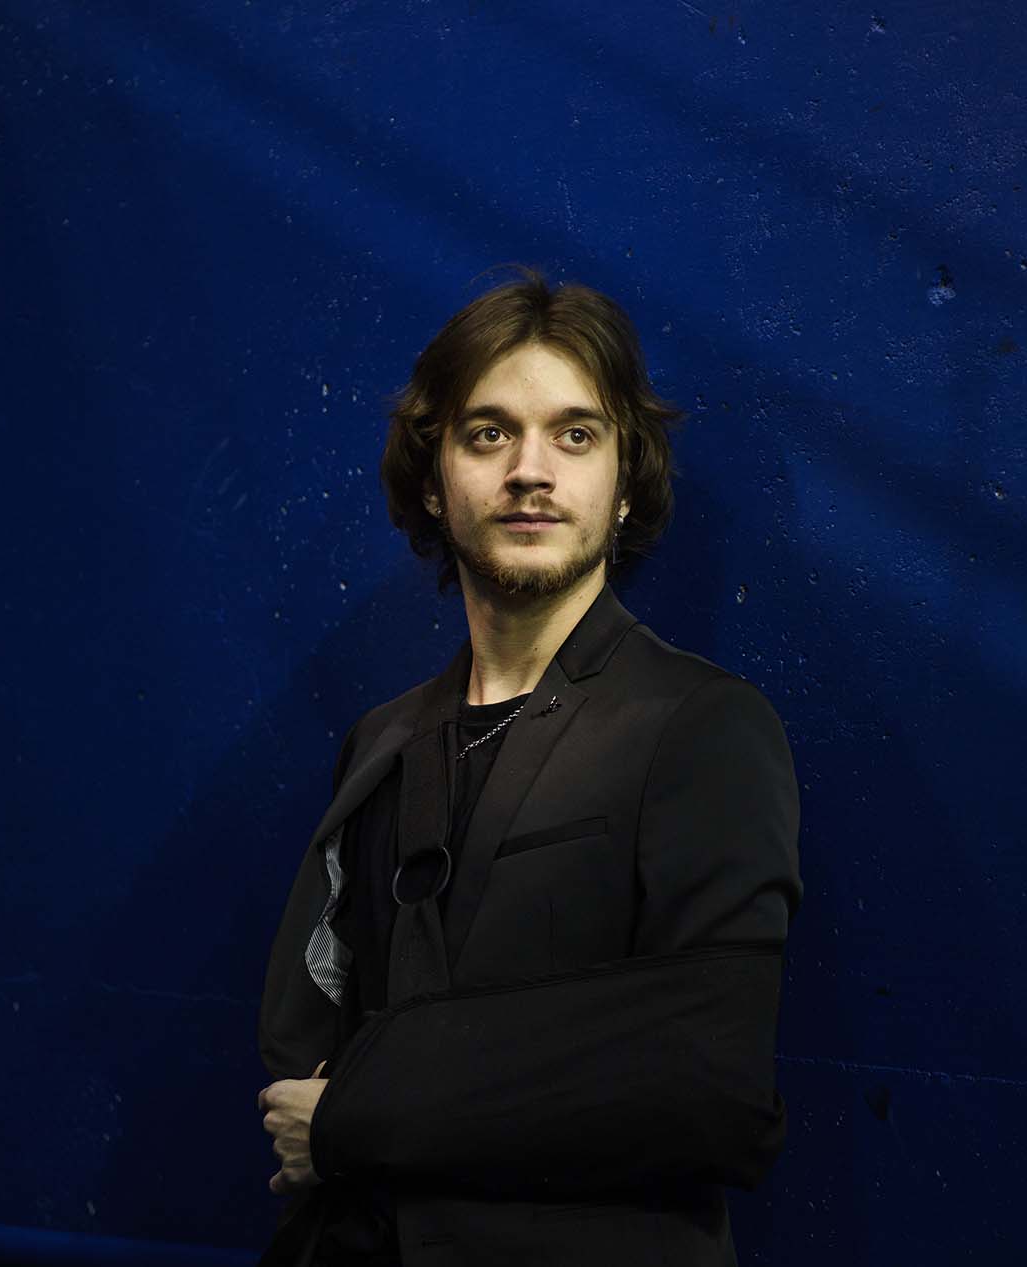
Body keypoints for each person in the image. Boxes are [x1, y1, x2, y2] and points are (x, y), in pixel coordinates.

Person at [255, 270, 802, 1266]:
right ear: (434, 479)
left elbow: (707, 1086)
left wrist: (363, 1115)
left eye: (576, 434)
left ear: (626, 481)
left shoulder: (702, 727)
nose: (530, 471)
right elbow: (307, 1058)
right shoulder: (383, 744)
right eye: (488, 433)